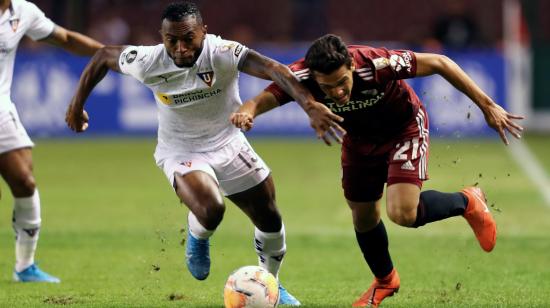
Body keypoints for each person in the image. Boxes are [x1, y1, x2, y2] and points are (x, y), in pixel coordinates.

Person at [65, 2, 338, 305]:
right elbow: (103, 55)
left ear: (203, 33)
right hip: (180, 149)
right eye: (172, 40)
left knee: (270, 217)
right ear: (162, 37)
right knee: (211, 208)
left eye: (188, 39)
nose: (180, 48)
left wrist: (309, 104)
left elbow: (274, 69)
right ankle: (198, 236)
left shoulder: (221, 52)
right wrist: (76, 106)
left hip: (229, 143)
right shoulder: (148, 60)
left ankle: (271, 283)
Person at [231, 34, 524, 307]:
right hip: (358, 140)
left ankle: (468, 200)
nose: (338, 91)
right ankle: (385, 281)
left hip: (403, 129)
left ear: (351, 65)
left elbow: (440, 62)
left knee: (403, 213)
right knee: (363, 213)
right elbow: (261, 99)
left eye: (342, 81)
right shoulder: (301, 77)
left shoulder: (376, 63)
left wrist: (487, 105)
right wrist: (248, 112)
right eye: (327, 87)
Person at [0, 0, 103, 283]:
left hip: (1, 110)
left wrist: (108, 55)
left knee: (24, 181)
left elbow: (67, 38)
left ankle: (25, 266)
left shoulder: (22, 12)